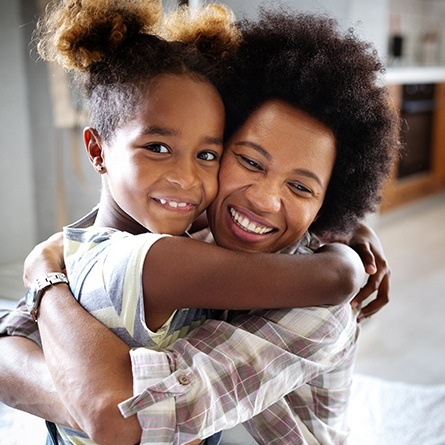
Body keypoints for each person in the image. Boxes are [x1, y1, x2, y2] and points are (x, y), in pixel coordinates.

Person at [0, 1, 386, 445]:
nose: (262, 199)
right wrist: (47, 279)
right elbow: (14, 336)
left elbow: (120, 414)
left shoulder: (320, 314)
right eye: (248, 161)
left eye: (301, 188)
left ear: (327, 206)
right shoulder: (181, 237)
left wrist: (348, 237)